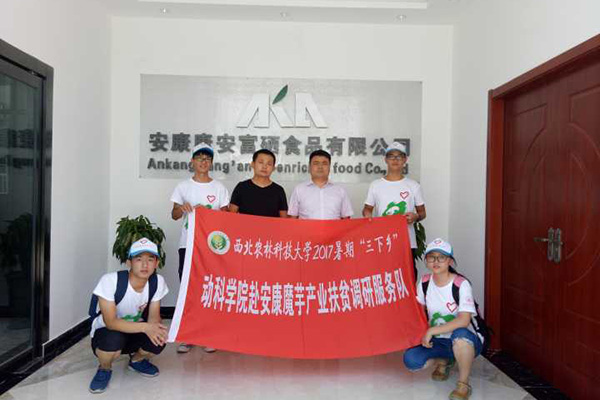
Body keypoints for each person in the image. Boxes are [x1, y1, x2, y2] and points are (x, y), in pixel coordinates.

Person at [403, 239, 483, 400]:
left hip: (465, 339)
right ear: (426, 260)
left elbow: (464, 320)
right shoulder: (425, 282)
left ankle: (463, 383)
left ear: (450, 261)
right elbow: (418, 311)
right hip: (439, 340)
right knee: (412, 360)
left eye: (441, 257)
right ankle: (445, 360)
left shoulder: (461, 284)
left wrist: (432, 330)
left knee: (460, 336)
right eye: (431, 257)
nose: (436, 261)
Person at [88, 238, 169, 394]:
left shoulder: (157, 282)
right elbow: (111, 322)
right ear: (129, 262)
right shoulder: (110, 281)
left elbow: (153, 318)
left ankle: (137, 360)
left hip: (136, 329)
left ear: (156, 263)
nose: (145, 265)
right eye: (139, 259)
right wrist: (146, 328)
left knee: (158, 340)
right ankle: (104, 368)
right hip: (107, 332)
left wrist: (155, 330)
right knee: (113, 340)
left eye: (150, 259)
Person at [170, 143, 229, 353]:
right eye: (199, 158)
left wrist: (209, 213)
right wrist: (182, 208)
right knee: (188, 289)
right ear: (192, 162)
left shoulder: (219, 188)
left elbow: (226, 217)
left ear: (211, 163)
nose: (203, 162)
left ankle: (209, 335)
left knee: (209, 288)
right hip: (188, 244)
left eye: (207, 159)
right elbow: (174, 214)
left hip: (212, 247)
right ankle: (188, 335)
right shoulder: (183, 187)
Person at [362, 141, 426, 279]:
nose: (395, 160)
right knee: (382, 277)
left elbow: (422, 213)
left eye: (399, 156)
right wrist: (368, 217)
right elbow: (367, 209)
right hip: (382, 241)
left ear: (405, 160)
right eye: (391, 156)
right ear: (385, 159)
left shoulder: (413, 185)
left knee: (408, 277)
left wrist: (415, 217)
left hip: (406, 241)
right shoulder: (376, 185)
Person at [288, 149, 353, 220]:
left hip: (334, 228)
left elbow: (346, 219)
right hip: (307, 228)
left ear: (329, 167)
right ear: (309, 167)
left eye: (324, 163)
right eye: (316, 163)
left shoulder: (340, 191)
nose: (320, 167)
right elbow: (292, 218)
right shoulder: (299, 190)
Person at [229, 149, 288, 218]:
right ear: (252, 164)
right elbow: (231, 216)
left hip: (271, 225)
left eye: (269, 164)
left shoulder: (279, 190)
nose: (264, 167)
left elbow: (284, 220)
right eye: (261, 162)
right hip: (245, 225)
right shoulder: (241, 187)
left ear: (273, 168)